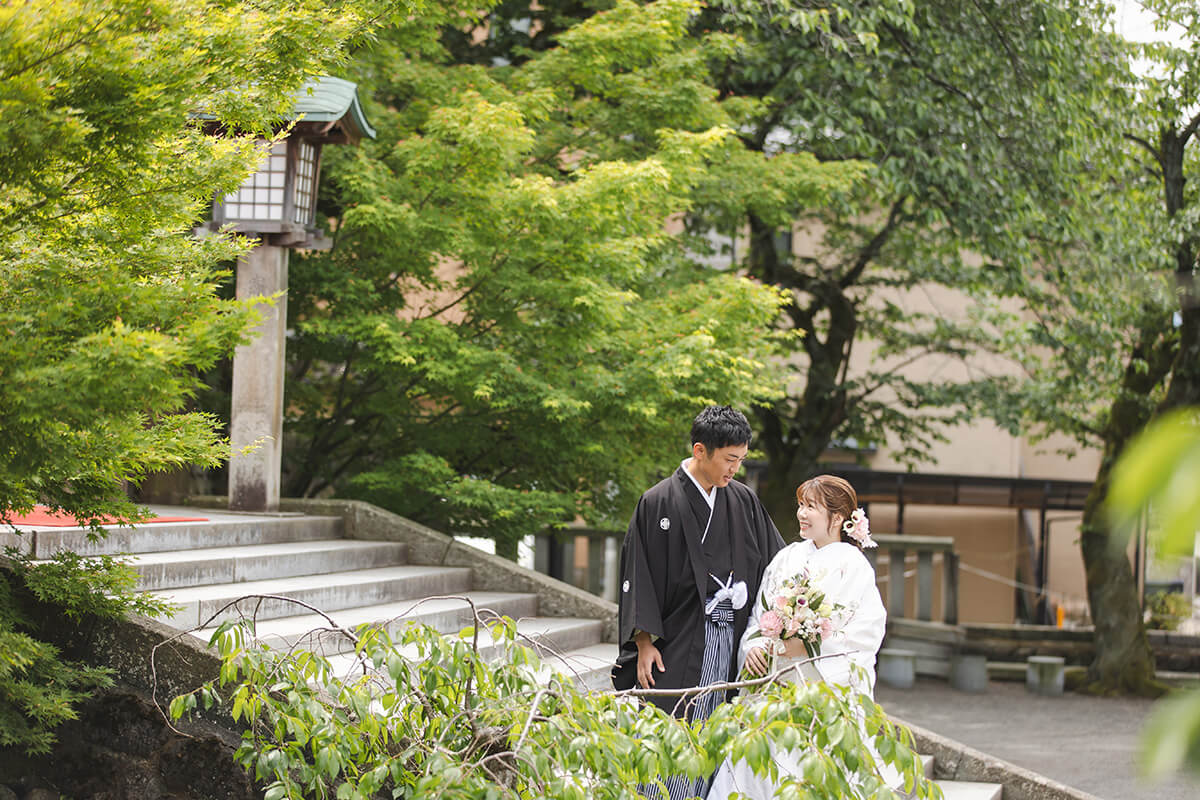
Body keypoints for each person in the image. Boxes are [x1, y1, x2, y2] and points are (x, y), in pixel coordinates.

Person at [612, 405, 785, 800]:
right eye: (729, 460)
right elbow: (638, 572)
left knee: (719, 730)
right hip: (679, 638)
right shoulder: (658, 502)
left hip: (733, 637)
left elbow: (777, 564)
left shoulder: (743, 501)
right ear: (700, 450)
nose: (735, 470)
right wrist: (643, 642)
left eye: (741, 460)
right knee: (673, 727)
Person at [706, 474, 897, 800]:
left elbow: (862, 632)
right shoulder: (788, 556)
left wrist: (807, 644)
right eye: (800, 505)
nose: (802, 514)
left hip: (816, 692)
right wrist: (755, 643)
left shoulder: (853, 566)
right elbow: (759, 612)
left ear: (837, 517)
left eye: (811, 507)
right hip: (773, 686)